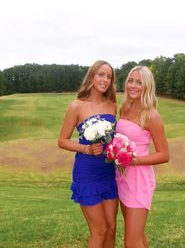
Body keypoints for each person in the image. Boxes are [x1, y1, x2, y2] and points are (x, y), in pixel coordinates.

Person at [58, 60, 118, 248]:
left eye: (109, 76)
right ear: (92, 76)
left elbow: (113, 138)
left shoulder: (112, 105)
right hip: (87, 174)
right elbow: (62, 141)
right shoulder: (76, 106)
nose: (105, 79)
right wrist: (86, 148)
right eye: (101, 74)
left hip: (108, 173)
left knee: (111, 228)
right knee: (99, 230)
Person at [115, 65, 169, 248]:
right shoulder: (124, 107)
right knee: (136, 236)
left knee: (131, 241)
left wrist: (132, 160)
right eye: (130, 80)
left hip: (139, 181)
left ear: (147, 86)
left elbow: (164, 155)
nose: (133, 85)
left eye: (139, 82)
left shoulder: (152, 116)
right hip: (121, 177)